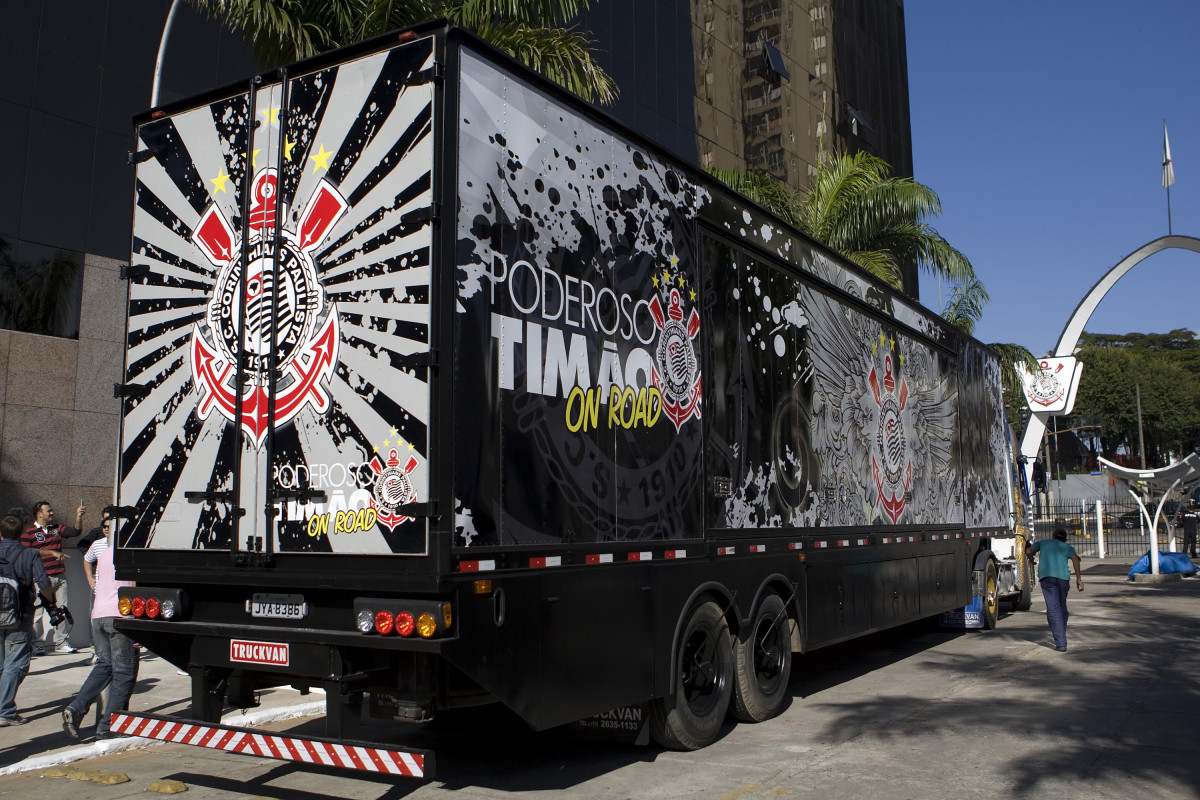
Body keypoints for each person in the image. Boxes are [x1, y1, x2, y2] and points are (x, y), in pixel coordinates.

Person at [61, 539, 136, 740]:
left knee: (104, 665)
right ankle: (108, 727)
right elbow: (136, 586)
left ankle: (75, 708)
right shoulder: (131, 551)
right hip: (119, 616)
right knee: (124, 672)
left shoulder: (104, 554)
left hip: (99, 615)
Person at [0, 514, 55, 725]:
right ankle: (5, 711)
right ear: (22, 532)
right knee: (15, 664)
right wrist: (51, 601)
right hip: (19, 615)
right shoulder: (30, 553)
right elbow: (44, 583)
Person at [21, 500, 85, 654]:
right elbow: (25, 554)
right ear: (39, 514)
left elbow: (75, 531)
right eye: (48, 511)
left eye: (51, 510)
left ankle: (61, 643)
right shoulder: (28, 533)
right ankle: (36, 644)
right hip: (40, 578)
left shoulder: (56, 528)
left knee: (62, 609)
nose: (52, 513)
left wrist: (79, 516)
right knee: (38, 612)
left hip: (60, 576)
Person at [1026, 527, 1084, 651]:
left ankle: (1061, 642)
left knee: (1053, 609)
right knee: (1061, 607)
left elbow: (1029, 551)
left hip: (1047, 578)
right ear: (1064, 538)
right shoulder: (1067, 547)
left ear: (1053, 536)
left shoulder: (1043, 543)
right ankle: (1061, 631)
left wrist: (1031, 559)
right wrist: (1079, 578)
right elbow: (1075, 559)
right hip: (1063, 579)